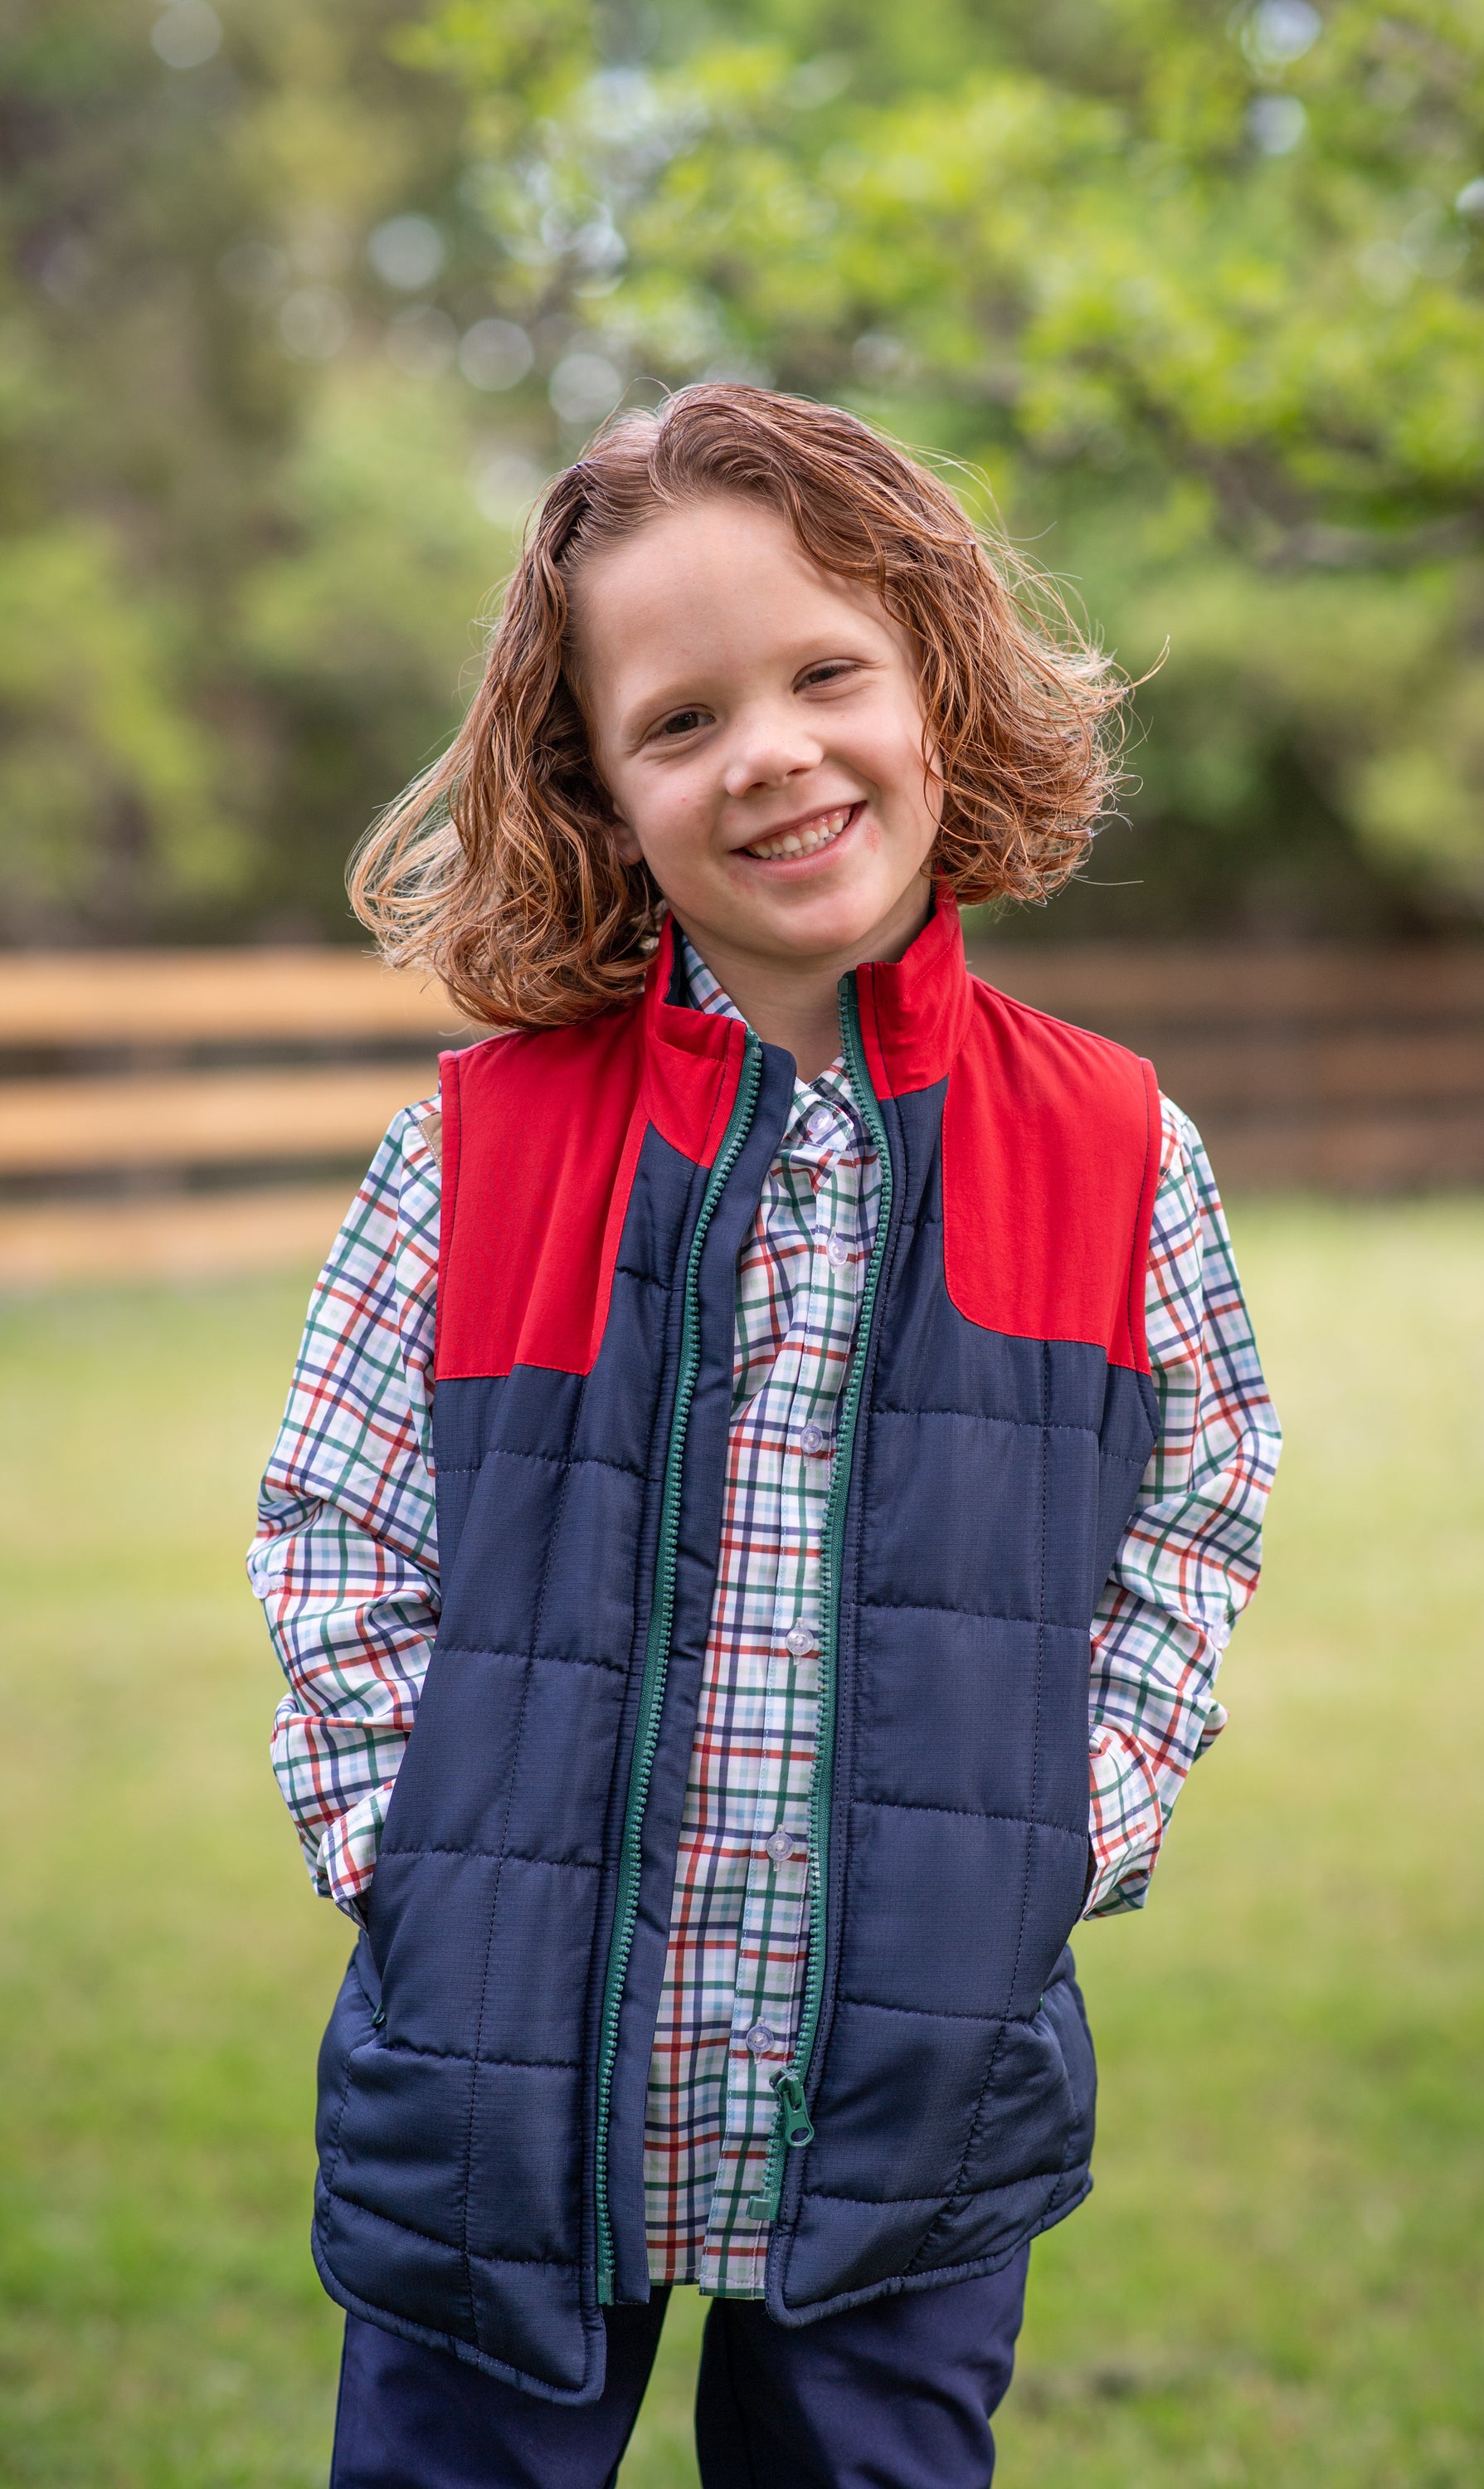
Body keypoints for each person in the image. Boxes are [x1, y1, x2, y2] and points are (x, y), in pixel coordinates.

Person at [248, 383, 1280, 2489]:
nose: (774, 755)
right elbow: (334, 1525)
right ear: (601, 789)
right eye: (683, 718)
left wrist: (1064, 1831)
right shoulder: (480, 1144)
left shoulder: (1106, 1141)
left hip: (917, 2072)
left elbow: (1200, 1500)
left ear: (937, 691)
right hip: (501, 2074)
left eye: (827, 674)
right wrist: (409, 1861)